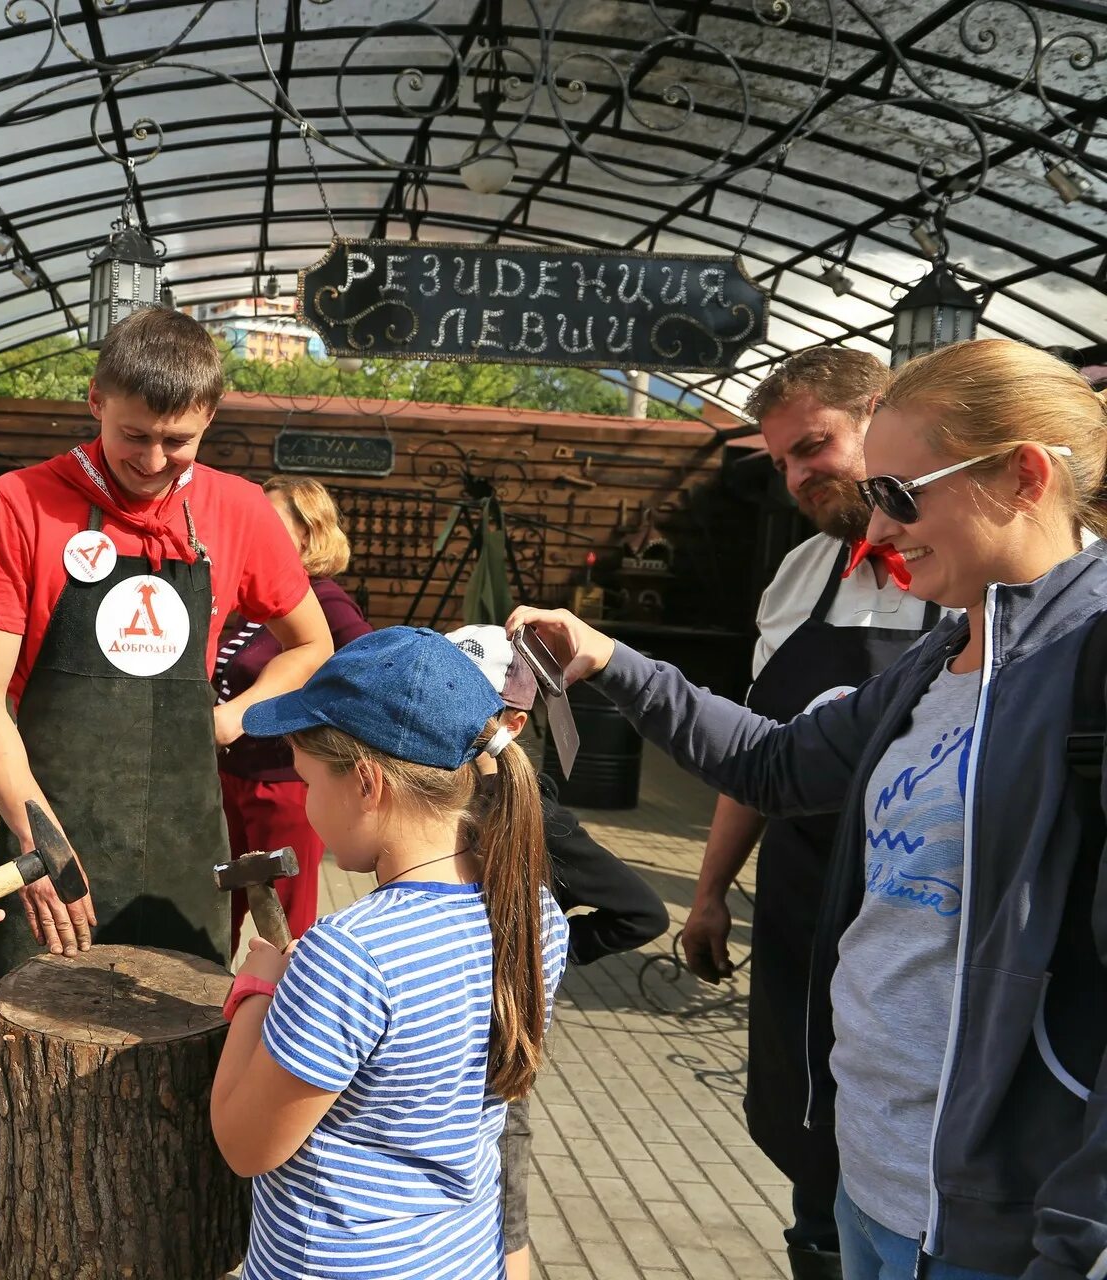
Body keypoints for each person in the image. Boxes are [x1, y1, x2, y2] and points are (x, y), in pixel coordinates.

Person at [511, 338, 1107, 1280]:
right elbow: (777, 762)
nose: (882, 524)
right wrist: (612, 661)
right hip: (870, 1173)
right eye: (874, 492)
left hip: (994, 1223)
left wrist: (1081, 1240)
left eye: (902, 495)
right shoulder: (942, 652)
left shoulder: (1090, 665)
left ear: (1024, 476)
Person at [0, 307, 333, 1275]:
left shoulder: (234, 511)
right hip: (51, 833)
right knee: (20, 1079)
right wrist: (38, 842)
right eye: (135, 435)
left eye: (179, 439)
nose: (154, 460)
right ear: (95, 401)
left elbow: (312, 642)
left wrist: (239, 714)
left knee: (179, 1064)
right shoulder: (24, 503)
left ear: (208, 423)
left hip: (182, 855)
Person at [677, 348, 944, 1278]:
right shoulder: (799, 576)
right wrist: (710, 891)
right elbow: (759, 750)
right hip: (798, 901)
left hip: (914, 901)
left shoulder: (960, 570)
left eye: (815, 446)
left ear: (882, 415)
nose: (799, 476)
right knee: (804, 1120)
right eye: (783, 460)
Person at [209, 626, 570, 1279]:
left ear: (367, 784)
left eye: (309, 784)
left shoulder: (349, 958)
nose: (308, 806)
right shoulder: (534, 915)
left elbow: (245, 1144)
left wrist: (258, 990)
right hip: (457, 1259)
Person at [445, 624, 666, 1279]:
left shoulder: (539, 819)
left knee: (503, 1224)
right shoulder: (428, 798)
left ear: (511, 717)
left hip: (494, 1063)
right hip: (428, 1056)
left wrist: (545, 961)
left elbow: (643, 912)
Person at [214, 476, 371, 948]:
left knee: (283, 926)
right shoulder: (253, 600)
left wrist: (319, 737)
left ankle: (285, 1014)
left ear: (309, 532)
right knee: (219, 909)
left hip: (282, 788)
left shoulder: (324, 600)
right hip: (226, 781)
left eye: (268, 520)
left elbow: (371, 672)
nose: (252, 530)